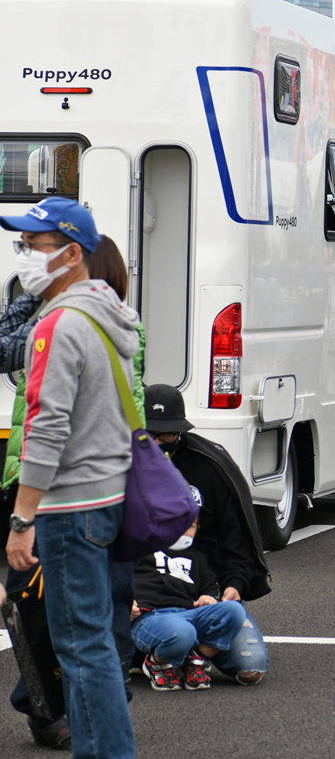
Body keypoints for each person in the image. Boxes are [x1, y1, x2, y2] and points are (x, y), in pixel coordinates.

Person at [2, 198, 138, 757]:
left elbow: (46, 430)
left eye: (34, 245)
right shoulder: (108, 313)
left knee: (80, 647)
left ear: (71, 253)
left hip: (68, 505)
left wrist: (21, 517)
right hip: (108, 495)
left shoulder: (57, 326)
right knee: (95, 642)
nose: (25, 256)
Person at [143, 384, 270, 684]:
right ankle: (155, 651)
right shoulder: (119, 465)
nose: (160, 441)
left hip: (202, 591)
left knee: (252, 666)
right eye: (151, 434)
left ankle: (186, 653)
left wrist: (234, 587)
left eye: (168, 434)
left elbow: (236, 542)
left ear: (181, 431)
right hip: (144, 591)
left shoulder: (208, 467)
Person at [130, 509, 259, 693]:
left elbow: (210, 588)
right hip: (151, 616)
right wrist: (126, 603)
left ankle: (196, 660)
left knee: (234, 611)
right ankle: (157, 663)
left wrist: (209, 598)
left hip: (189, 613)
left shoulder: (197, 557)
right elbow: (117, 581)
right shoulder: (140, 549)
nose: (182, 530)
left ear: (197, 529)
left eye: (189, 526)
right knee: (184, 633)